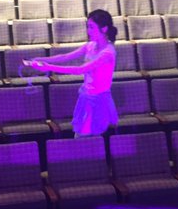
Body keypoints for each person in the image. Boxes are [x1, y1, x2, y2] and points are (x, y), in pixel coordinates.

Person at [24, 9, 119, 137]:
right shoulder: (90, 45)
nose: (88, 31)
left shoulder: (107, 52)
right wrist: (41, 59)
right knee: (81, 134)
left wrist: (48, 67)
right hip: (86, 96)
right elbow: (65, 57)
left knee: (91, 137)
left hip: (98, 100)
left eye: (91, 27)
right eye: (88, 27)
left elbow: (80, 70)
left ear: (104, 29)